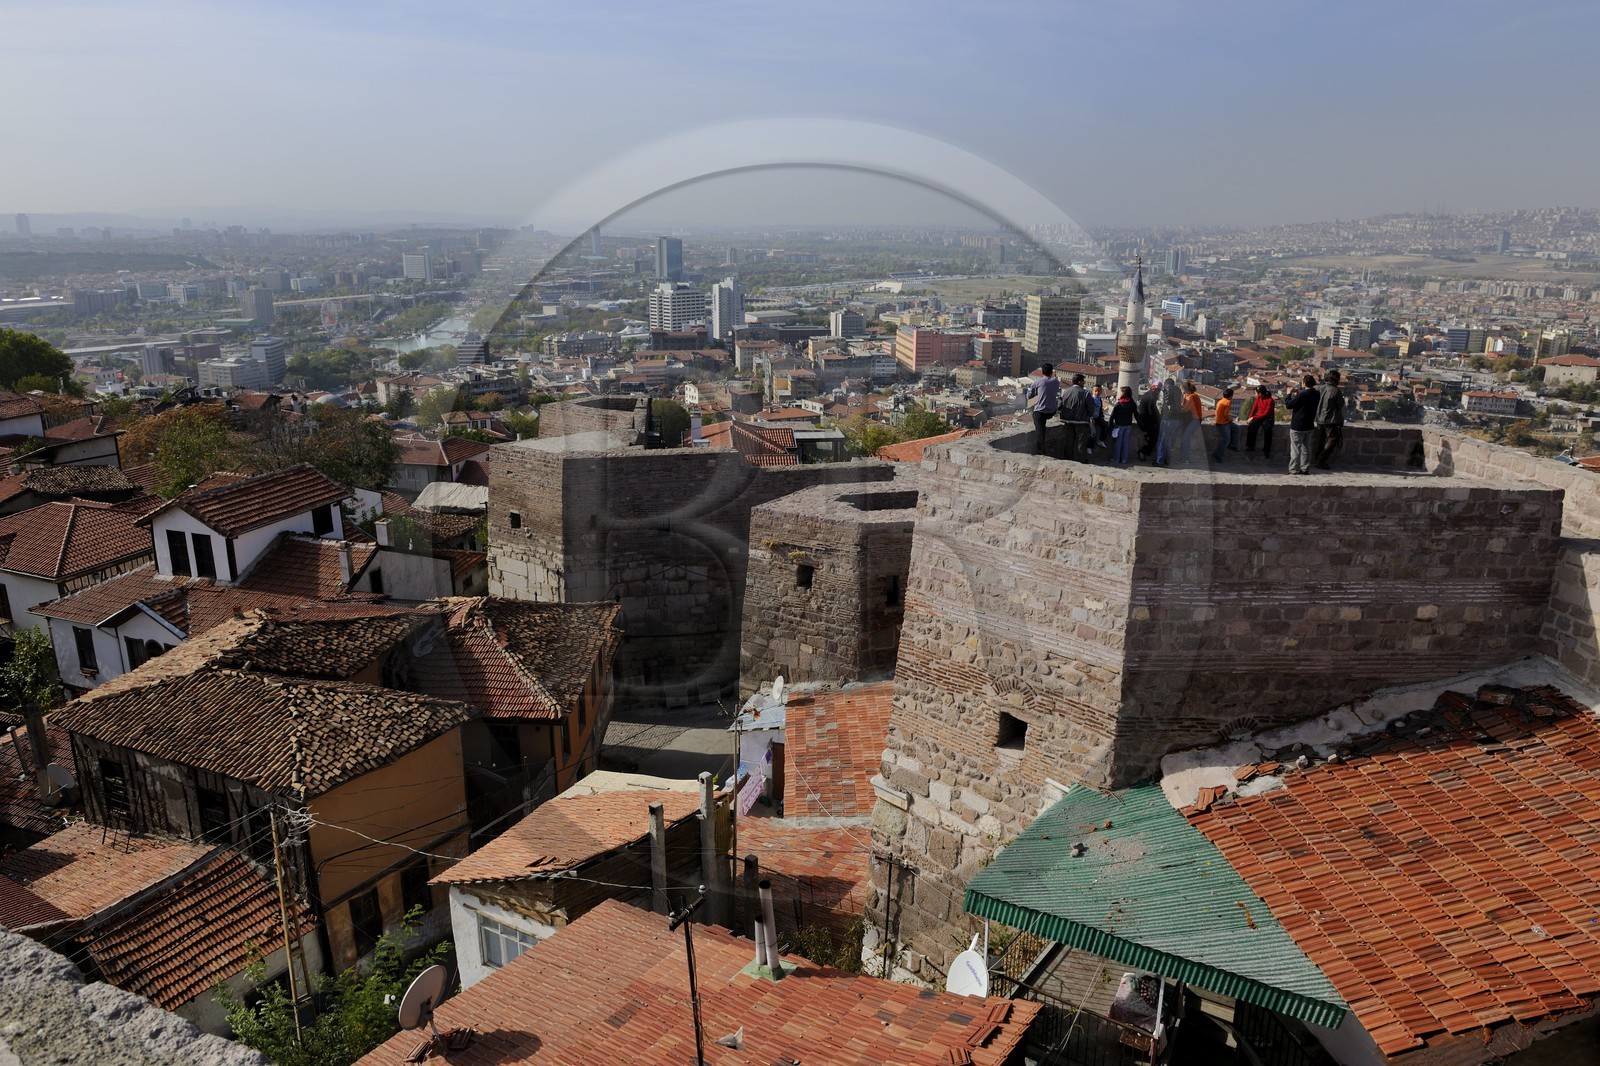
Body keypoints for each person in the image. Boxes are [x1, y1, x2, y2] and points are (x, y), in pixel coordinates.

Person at [1023, 363, 1060, 456]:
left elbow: (1029, 396)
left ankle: (1040, 452)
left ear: (1042, 372)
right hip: (1052, 410)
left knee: (1040, 432)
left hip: (1041, 411)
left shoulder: (1037, 382)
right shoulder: (1056, 382)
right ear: (1052, 372)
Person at [1286, 374, 1319, 474]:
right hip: (1309, 424)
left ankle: (1293, 469)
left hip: (1298, 425)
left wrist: (1288, 394)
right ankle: (1305, 468)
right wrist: (1299, 394)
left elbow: (1289, 405)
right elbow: (1305, 401)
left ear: (1304, 383)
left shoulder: (1303, 395)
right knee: (1306, 448)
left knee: (1296, 449)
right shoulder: (1317, 394)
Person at [1057, 373, 1094, 462]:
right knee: (1081, 443)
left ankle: (1068, 460)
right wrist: (1088, 416)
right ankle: (1082, 461)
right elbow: (1091, 408)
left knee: (1069, 442)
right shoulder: (1085, 393)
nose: (1084, 383)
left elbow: (1060, 405)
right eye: (1083, 381)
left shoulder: (1065, 391)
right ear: (1080, 382)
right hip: (1081, 422)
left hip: (1067, 421)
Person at [1314, 369, 1346, 469]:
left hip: (1319, 418)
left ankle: (1317, 459)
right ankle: (1321, 460)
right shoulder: (1336, 391)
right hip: (1330, 420)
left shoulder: (1319, 388)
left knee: (1320, 440)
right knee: (1332, 439)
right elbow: (1340, 404)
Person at [1155, 378, 1184, 466]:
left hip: (1167, 418)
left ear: (1166, 384)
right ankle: (1167, 460)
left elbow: (1167, 402)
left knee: (1162, 440)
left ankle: (1159, 461)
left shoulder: (1168, 389)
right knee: (1169, 442)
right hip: (1176, 419)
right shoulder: (1178, 390)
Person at [1243, 385, 1276, 460]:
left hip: (1267, 418)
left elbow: (1266, 413)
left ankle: (1267, 450)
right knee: (1251, 426)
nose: (1255, 394)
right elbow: (1254, 409)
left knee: (1268, 429)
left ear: (1260, 393)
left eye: (1255, 393)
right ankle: (1250, 446)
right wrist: (1249, 418)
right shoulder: (1258, 399)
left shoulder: (1270, 400)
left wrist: (1254, 417)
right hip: (1258, 417)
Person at [1135, 380, 1161, 461]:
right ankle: (1142, 451)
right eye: (1158, 390)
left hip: (1144, 420)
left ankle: (1144, 451)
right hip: (1146, 422)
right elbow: (1151, 411)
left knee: (1154, 437)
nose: (1159, 392)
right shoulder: (1152, 396)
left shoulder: (1149, 394)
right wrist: (1159, 420)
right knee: (1155, 437)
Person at [1109, 385, 1136, 464]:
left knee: (1118, 443)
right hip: (1128, 425)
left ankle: (1116, 459)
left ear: (1123, 393)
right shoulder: (1132, 402)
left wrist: (1109, 426)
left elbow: (1112, 415)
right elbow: (1136, 413)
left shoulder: (1119, 404)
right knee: (1126, 443)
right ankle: (1124, 459)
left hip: (1120, 425)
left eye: (1120, 391)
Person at [1211, 386, 1237, 463]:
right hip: (1223, 423)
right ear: (1231, 396)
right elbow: (1226, 414)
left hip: (1220, 422)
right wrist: (1230, 419)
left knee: (1237, 429)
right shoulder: (1228, 402)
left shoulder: (1220, 401)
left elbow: (1216, 412)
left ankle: (1232, 445)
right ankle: (1217, 454)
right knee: (1226, 440)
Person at [1179, 380, 1203, 463]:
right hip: (1192, 419)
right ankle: (1183, 457)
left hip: (1196, 419)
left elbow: (1185, 409)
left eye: (1181, 388)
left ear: (1184, 389)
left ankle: (1185, 459)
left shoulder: (1192, 396)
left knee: (1186, 437)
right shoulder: (1188, 396)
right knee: (1185, 437)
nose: (1181, 390)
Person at [1089, 384, 1107, 452]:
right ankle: (1089, 447)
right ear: (1092, 391)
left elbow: (1100, 410)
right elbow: (1087, 409)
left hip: (1097, 417)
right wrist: (1090, 418)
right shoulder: (1091, 399)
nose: (1097, 393)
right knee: (1093, 432)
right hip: (1091, 418)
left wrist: (1101, 416)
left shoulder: (1099, 399)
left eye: (1099, 391)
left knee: (1105, 426)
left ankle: (1101, 440)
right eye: (1096, 391)